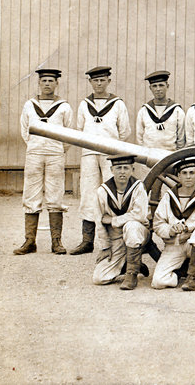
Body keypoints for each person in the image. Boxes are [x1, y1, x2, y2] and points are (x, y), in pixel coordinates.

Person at [71, 66, 131, 255]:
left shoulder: (118, 104)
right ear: (90, 82)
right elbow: (79, 130)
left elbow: (125, 132)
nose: (99, 84)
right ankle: (87, 240)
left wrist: (111, 148)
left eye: (102, 80)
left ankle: (115, 239)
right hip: (89, 154)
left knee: (111, 194)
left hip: (110, 156)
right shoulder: (84, 105)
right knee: (88, 194)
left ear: (108, 81)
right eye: (95, 80)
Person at [16, 68, 74, 255]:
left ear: (57, 83)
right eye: (44, 81)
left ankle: (56, 242)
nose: (47, 84)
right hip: (34, 153)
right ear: (39, 83)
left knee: (55, 195)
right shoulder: (29, 105)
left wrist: (57, 149)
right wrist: (36, 145)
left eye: (51, 81)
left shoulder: (64, 106)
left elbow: (69, 133)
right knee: (31, 194)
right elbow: (25, 130)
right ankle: (29, 241)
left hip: (55, 154)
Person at [151, 158, 195, 291]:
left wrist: (187, 227)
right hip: (174, 245)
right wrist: (170, 230)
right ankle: (180, 274)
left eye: (192, 173)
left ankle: (192, 278)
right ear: (178, 176)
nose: (188, 177)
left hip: (193, 243)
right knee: (158, 282)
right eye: (184, 173)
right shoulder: (169, 197)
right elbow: (158, 223)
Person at [91, 155, 151, 290]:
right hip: (116, 238)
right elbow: (99, 221)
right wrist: (105, 247)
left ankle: (131, 274)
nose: (122, 172)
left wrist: (113, 220)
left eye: (126, 168)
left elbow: (140, 215)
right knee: (99, 278)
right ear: (112, 170)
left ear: (132, 169)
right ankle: (128, 264)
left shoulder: (138, 187)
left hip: (138, 233)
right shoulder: (103, 191)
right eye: (118, 168)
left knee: (132, 226)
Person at [136, 70, 185, 152]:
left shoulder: (177, 111)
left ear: (167, 86)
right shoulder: (144, 111)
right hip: (149, 155)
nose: (158, 89)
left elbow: (181, 138)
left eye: (161, 85)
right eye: (154, 86)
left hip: (170, 155)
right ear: (150, 88)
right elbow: (139, 137)